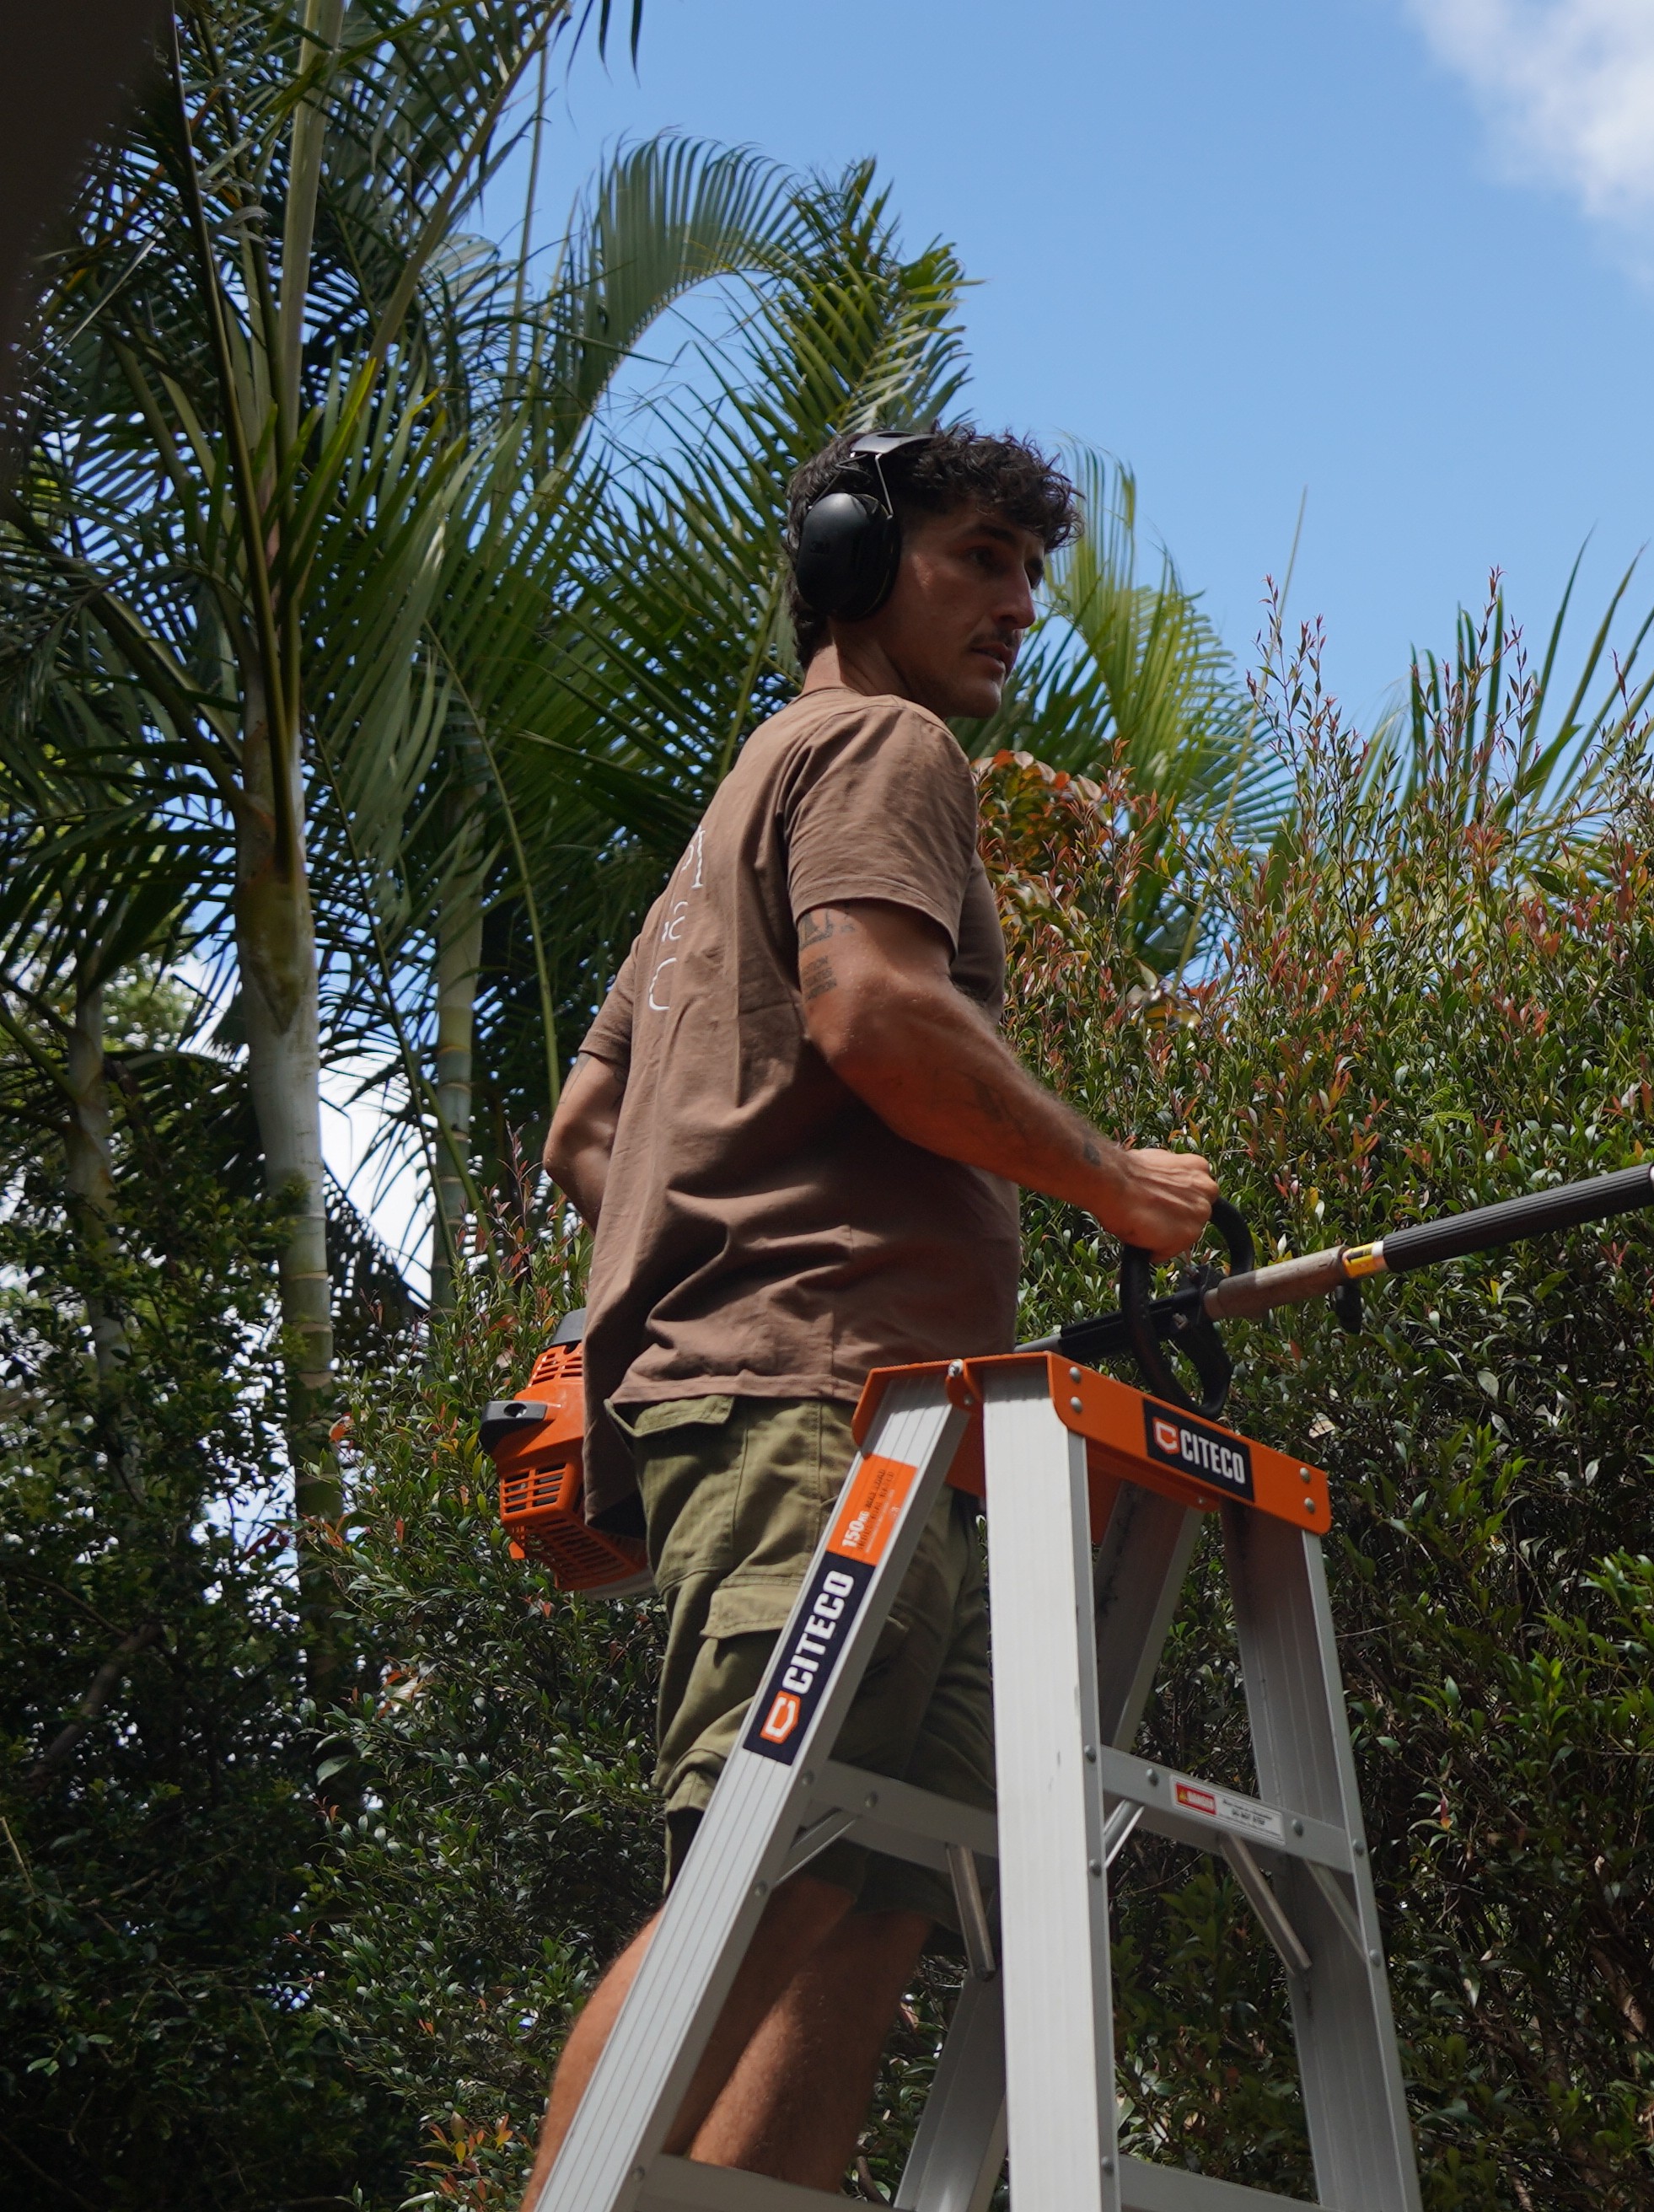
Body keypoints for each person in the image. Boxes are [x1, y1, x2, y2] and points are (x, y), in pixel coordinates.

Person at [524, 427, 1221, 2199]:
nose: (1020, 605)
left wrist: (706, 1264)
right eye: (980, 555)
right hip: (815, 1410)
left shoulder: (743, 798)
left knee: (862, 1902)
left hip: (875, 1410)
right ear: (854, 558)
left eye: (1031, 571)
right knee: (762, 1883)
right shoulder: (882, 742)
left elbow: (589, 1130)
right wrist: (1112, 1182)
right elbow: (878, 1013)